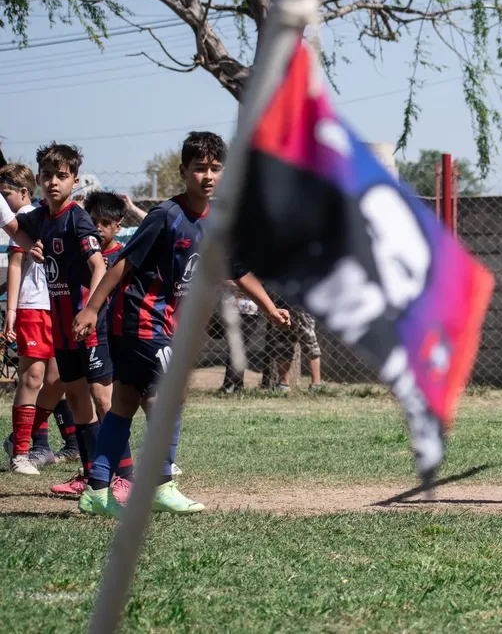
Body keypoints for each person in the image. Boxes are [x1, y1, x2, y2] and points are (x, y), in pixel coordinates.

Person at [72, 131, 290, 517]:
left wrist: (270, 308)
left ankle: (97, 490)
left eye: (216, 168)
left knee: (124, 403)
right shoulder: (166, 216)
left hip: (156, 323)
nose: (208, 176)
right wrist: (91, 309)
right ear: (183, 171)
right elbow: (123, 263)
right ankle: (161, 485)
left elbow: (237, 270)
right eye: (199, 168)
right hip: (140, 318)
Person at [6, 144, 117, 500]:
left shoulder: (77, 218)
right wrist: (30, 245)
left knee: (102, 399)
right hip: (62, 327)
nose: (53, 182)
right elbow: (14, 228)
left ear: (75, 180)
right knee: (78, 399)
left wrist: (91, 311)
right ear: (38, 179)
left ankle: (120, 473)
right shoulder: (40, 217)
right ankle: (92, 473)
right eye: (47, 175)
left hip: (87, 324)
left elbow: (99, 267)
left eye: (61, 176)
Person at [1, 163, 61, 474]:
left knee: (57, 380)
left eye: (6, 194)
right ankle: (21, 453)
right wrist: (11, 312)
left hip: (57, 305)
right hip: (33, 306)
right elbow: (15, 265)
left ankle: (18, 439)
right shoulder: (24, 219)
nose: (3, 201)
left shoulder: (42, 214)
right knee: (32, 377)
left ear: (24, 191)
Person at [260, 300, 323, 393]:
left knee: (312, 347)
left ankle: (316, 385)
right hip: (283, 309)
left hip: (304, 311)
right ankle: (283, 385)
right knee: (284, 348)